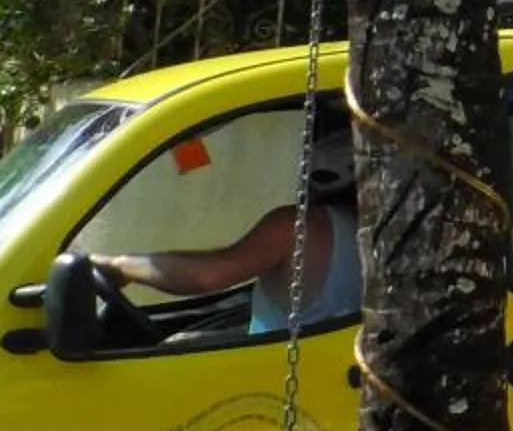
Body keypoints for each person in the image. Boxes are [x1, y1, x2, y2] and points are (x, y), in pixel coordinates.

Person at [94, 136, 363, 338]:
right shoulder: (382, 233)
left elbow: (209, 275)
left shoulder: (296, 227)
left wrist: (122, 267)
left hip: (270, 381)